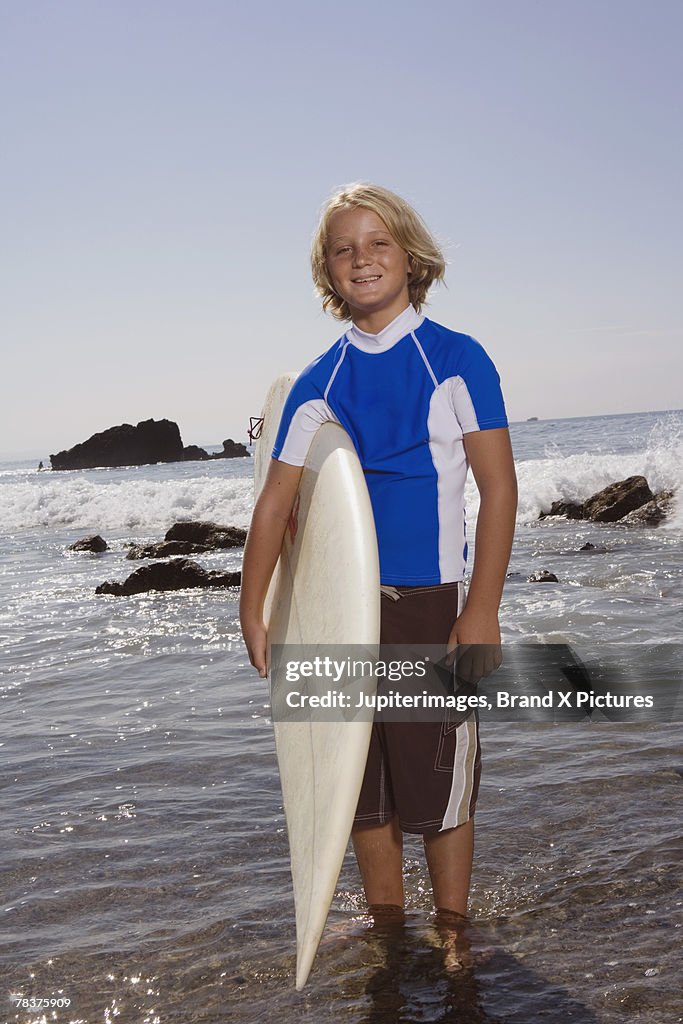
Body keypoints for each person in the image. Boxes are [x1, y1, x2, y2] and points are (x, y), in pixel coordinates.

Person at [240, 182, 517, 926]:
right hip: (336, 611)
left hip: (428, 605)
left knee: (438, 784)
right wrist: (254, 607)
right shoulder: (316, 381)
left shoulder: (454, 359)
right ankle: (388, 928)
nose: (360, 259)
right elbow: (275, 503)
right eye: (342, 249)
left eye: (377, 244)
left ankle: (453, 931)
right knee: (354, 787)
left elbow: (497, 489)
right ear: (327, 272)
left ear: (410, 255)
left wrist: (481, 609)